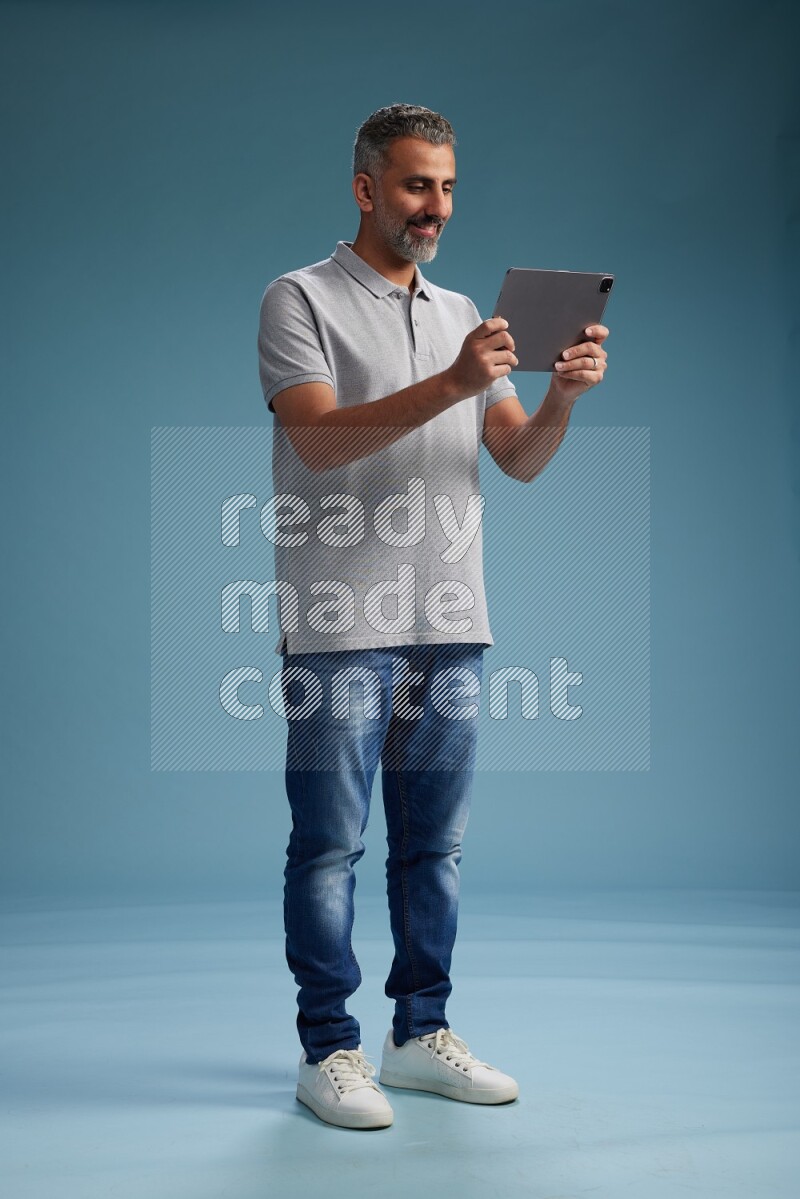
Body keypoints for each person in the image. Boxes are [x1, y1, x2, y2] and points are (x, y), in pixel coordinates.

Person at [257, 103, 609, 1130]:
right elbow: (318, 439)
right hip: (339, 617)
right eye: (416, 184)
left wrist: (560, 398)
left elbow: (516, 458)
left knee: (434, 848)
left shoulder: (462, 309)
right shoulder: (298, 298)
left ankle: (418, 1033)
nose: (435, 206)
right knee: (329, 845)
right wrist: (452, 378)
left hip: (450, 613)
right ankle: (329, 1048)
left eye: (447, 185)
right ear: (366, 188)